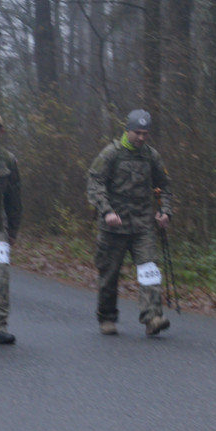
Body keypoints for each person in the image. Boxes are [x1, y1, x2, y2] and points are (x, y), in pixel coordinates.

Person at [86, 109, 172, 337]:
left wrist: (165, 211)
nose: (141, 138)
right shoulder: (111, 154)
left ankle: (152, 317)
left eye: (145, 133)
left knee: (150, 270)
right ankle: (106, 317)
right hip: (114, 226)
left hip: (142, 225)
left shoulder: (151, 156)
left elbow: (164, 185)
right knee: (109, 275)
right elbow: (95, 183)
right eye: (137, 133)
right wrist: (106, 211)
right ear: (128, 130)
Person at [0, 112, 21, 346]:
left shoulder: (8, 160)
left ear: (1, 132)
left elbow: (15, 199)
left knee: (1, 277)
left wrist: (13, 231)